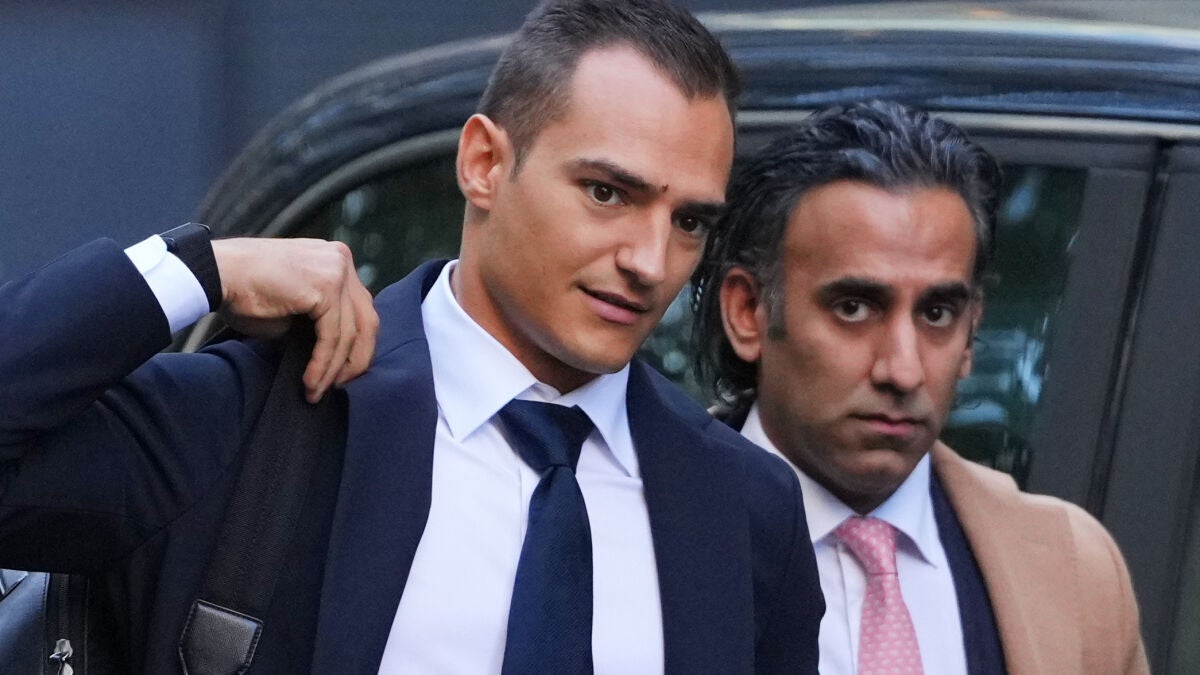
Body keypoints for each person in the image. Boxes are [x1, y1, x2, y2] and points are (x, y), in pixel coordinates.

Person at [0, 0, 823, 673]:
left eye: (689, 222)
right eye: (608, 193)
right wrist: (198, 266)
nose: (650, 260)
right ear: (484, 163)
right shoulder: (260, 421)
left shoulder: (745, 510)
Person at [693, 100, 1148, 674]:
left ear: (972, 329)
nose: (903, 370)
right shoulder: (632, 541)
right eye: (854, 307)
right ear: (748, 312)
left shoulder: (1072, 571)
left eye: (937, 314)